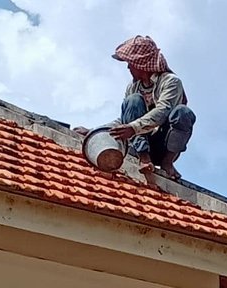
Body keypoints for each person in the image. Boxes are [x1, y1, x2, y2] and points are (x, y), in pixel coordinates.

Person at [78, 36, 195, 180]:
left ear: (142, 64)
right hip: (139, 144)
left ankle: (167, 163)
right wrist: (94, 131)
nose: (128, 67)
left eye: (130, 63)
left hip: (163, 143)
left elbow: (163, 111)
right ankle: (143, 157)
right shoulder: (133, 88)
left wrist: (133, 128)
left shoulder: (171, 82)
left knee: (183, 113)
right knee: (133, 101)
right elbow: (123, 120)